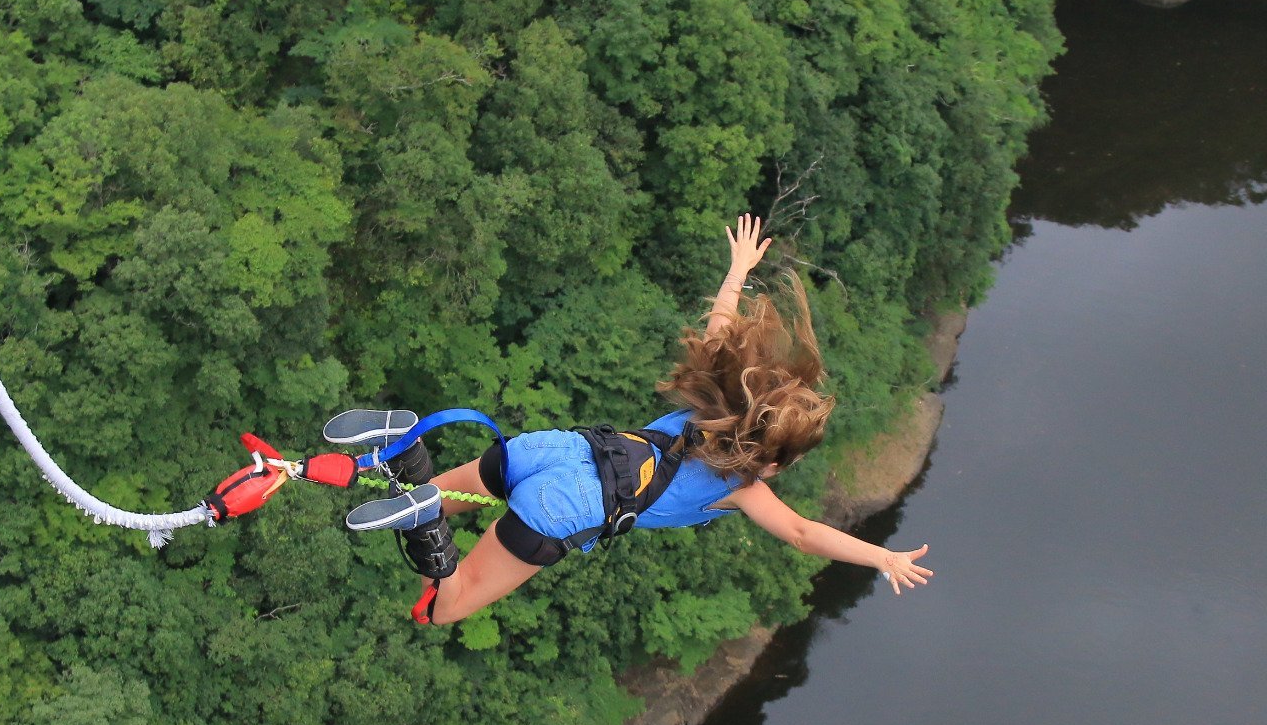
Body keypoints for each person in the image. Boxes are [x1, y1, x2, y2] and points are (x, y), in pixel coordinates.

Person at [348, 214, 934, 625]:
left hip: (557, 449)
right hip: (568, 503)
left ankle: (406, 451)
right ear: (774, 461)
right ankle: (425, 531)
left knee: (432, 495)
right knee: (446, 604)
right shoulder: (743, 489)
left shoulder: (711, 402)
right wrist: (881, 557)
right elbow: (805, 535)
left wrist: (737, 271)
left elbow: (721, 333)